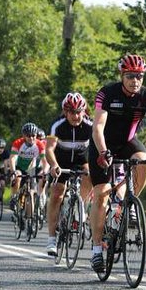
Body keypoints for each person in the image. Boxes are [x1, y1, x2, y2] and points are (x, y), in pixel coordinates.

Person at [86, 55, 146, 272]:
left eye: (139, 76)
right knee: (102, 195)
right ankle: (96, 250)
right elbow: (97, 127)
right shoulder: (107, 93)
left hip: (127, 142)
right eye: (130, 76)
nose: (135, 81)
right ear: (122, 76)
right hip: (102, 144)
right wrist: (103, 152)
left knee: (143, 161)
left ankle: (127, 202)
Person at [46, 92, 94, 257]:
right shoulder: (57, 125)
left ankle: (81, 206)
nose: (76, 116)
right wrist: (54, 165)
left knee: (90, 175)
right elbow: (49, 149)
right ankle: (52, 239)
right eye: (72, 112)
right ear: (65, 112)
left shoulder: (90, 125)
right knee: (57, 194)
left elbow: (98, 146)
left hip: (81, 159)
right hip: (61, 161)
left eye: (79, 112)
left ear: (84, 111)